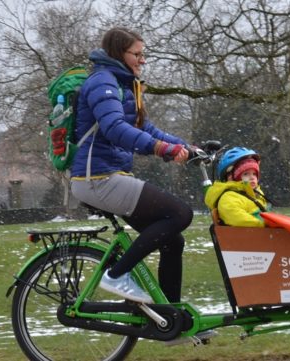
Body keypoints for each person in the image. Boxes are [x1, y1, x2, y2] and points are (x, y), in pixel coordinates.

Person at [69, 27, 192, 304]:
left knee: (173, 240)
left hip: (109, 176)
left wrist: (186, 147)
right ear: (118, 53)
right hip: (97, 178)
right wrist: (160, 149)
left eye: (143, 54)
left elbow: (146, 128)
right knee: (180, 214)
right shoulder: (103, 82)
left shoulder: (122, 85)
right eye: (137, 54)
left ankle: (170, 318)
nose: (142, 60)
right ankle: (116, 275)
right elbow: (114, 128)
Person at [204, 147, 270, 227]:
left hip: (260, 235)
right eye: (246, 174)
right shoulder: (229, 198)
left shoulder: (257, 193)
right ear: (230, 177)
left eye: (254, 174)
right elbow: (239, 219)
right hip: (250, 236)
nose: (252, 177)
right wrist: (264, 225)